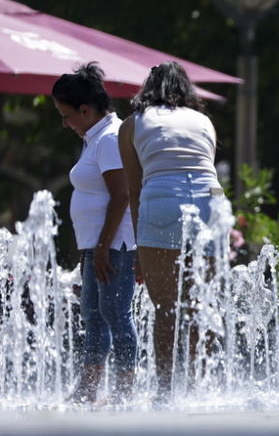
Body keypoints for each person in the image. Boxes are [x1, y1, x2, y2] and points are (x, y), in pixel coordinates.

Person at [118, 61, 225, 402]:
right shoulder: (204, 121)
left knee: (165, 307)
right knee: (199, 304)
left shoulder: (133, 124)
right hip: (211, 203)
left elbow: (134, 189)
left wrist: (140, 243)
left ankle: (164, 389)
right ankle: (196, 385)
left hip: (161, 200)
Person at [52, 62, 138, 404]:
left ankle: (124, 389)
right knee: (93, 314)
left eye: (66, 115)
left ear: (85, 110)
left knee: (117, 313)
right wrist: (92, 247)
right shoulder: (94, 137)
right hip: (99, 244)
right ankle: (88, 388)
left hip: (114, 243)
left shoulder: (109, 139)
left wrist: (102, 246)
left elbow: (122, 195)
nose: (65, 123)